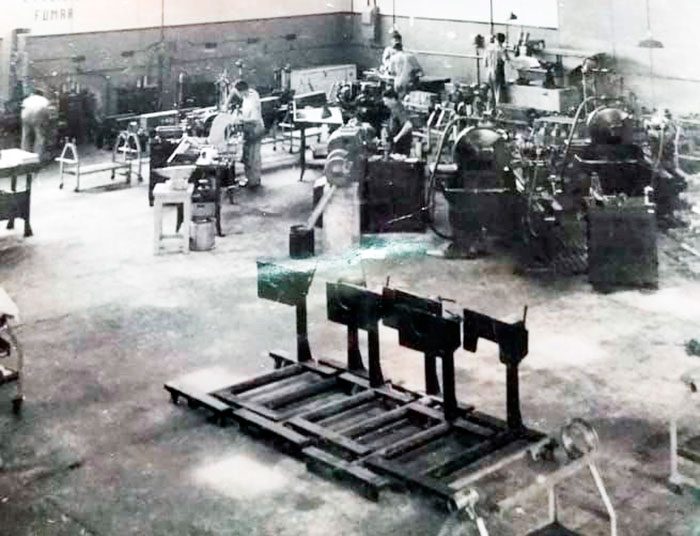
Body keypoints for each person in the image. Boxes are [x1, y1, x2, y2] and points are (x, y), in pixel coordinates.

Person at [232, 79, 265, 188]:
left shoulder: (253, 99)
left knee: (253, 157)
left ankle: (254, 181)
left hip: (255, 129)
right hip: (248, 129)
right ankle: (249, 178)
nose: (238, 95)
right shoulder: (247, 95)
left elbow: (255, 118)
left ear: (242, 91)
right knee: (247, 156)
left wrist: (240, 119)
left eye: (238, 93)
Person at [20, 88, 51, 160]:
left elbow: (22, 108)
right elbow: (47, 113)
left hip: (25, 117)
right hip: (37, 117)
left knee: (26, 136)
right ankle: (38, 156)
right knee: (39, 136)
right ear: (41, 94)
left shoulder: (27, 99)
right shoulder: (44, 100)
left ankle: (24, 154)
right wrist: (46, 122)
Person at [382, 88, 413, 156]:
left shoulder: (399, 109)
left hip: (401, 147)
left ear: (393, 99)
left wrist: (396, 138)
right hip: (396, 145)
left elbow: (408, 125)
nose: (385, 104)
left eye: (386, 101)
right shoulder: (394, 109)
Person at [485, 33, 510, 108]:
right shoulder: (502, 49)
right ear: (503, 40)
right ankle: (498, 109)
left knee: (491, 91)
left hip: (489, 72)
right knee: (498, 92)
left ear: (495, 39)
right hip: (497, 72)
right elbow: (506, 59)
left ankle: (490, 108)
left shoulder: (488, 48)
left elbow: (485, 63)